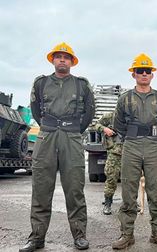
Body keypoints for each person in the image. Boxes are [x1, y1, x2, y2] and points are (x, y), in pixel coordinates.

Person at [20, 42, 95, 251]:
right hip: (47, 136)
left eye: (66, 57)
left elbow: (89, 113)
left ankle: (79, 236)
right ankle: (36, 238)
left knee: (75, 189)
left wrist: (74, 130)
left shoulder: (82, 85)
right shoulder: (41, 83)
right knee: (41, 189)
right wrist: (50, 125)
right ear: (52, 60)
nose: (62, 59)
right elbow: (36, 110)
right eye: (58, 56)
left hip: (71, 137)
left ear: (72, 62)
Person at [111, 53, 157, 249]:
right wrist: (134, 135)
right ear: (134, 74)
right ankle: (126, 234)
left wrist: (152, 136)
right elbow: (118, 124)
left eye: (148, 71)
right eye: (140, 71)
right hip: (132, 145)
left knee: (156, 191)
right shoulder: (125, 99)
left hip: (154, 145)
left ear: (152, 75)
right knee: (129, 192)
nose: (144, 74)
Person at [94, 112, 122, 215]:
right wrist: (105, 129)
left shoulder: (131, 118)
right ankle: (108, 203)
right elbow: (96, 125)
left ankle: (131, 203)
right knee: (111, 178)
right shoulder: (110, 117)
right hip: (114, 153)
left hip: (129, 153)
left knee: (131, 180)